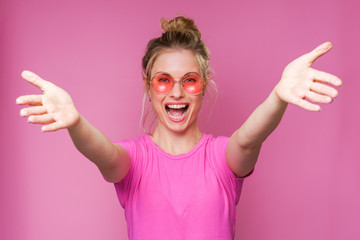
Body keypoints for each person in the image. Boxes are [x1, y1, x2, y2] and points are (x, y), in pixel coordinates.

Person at [16, 16, 342, 240]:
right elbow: (104, 152)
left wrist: (277, 97)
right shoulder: (134, 160)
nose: (176, 93)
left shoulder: (221, 157)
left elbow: (246, 140)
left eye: (189, 80)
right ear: (148, 85)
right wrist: (76, 122)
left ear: (203, 84)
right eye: (163, 81)